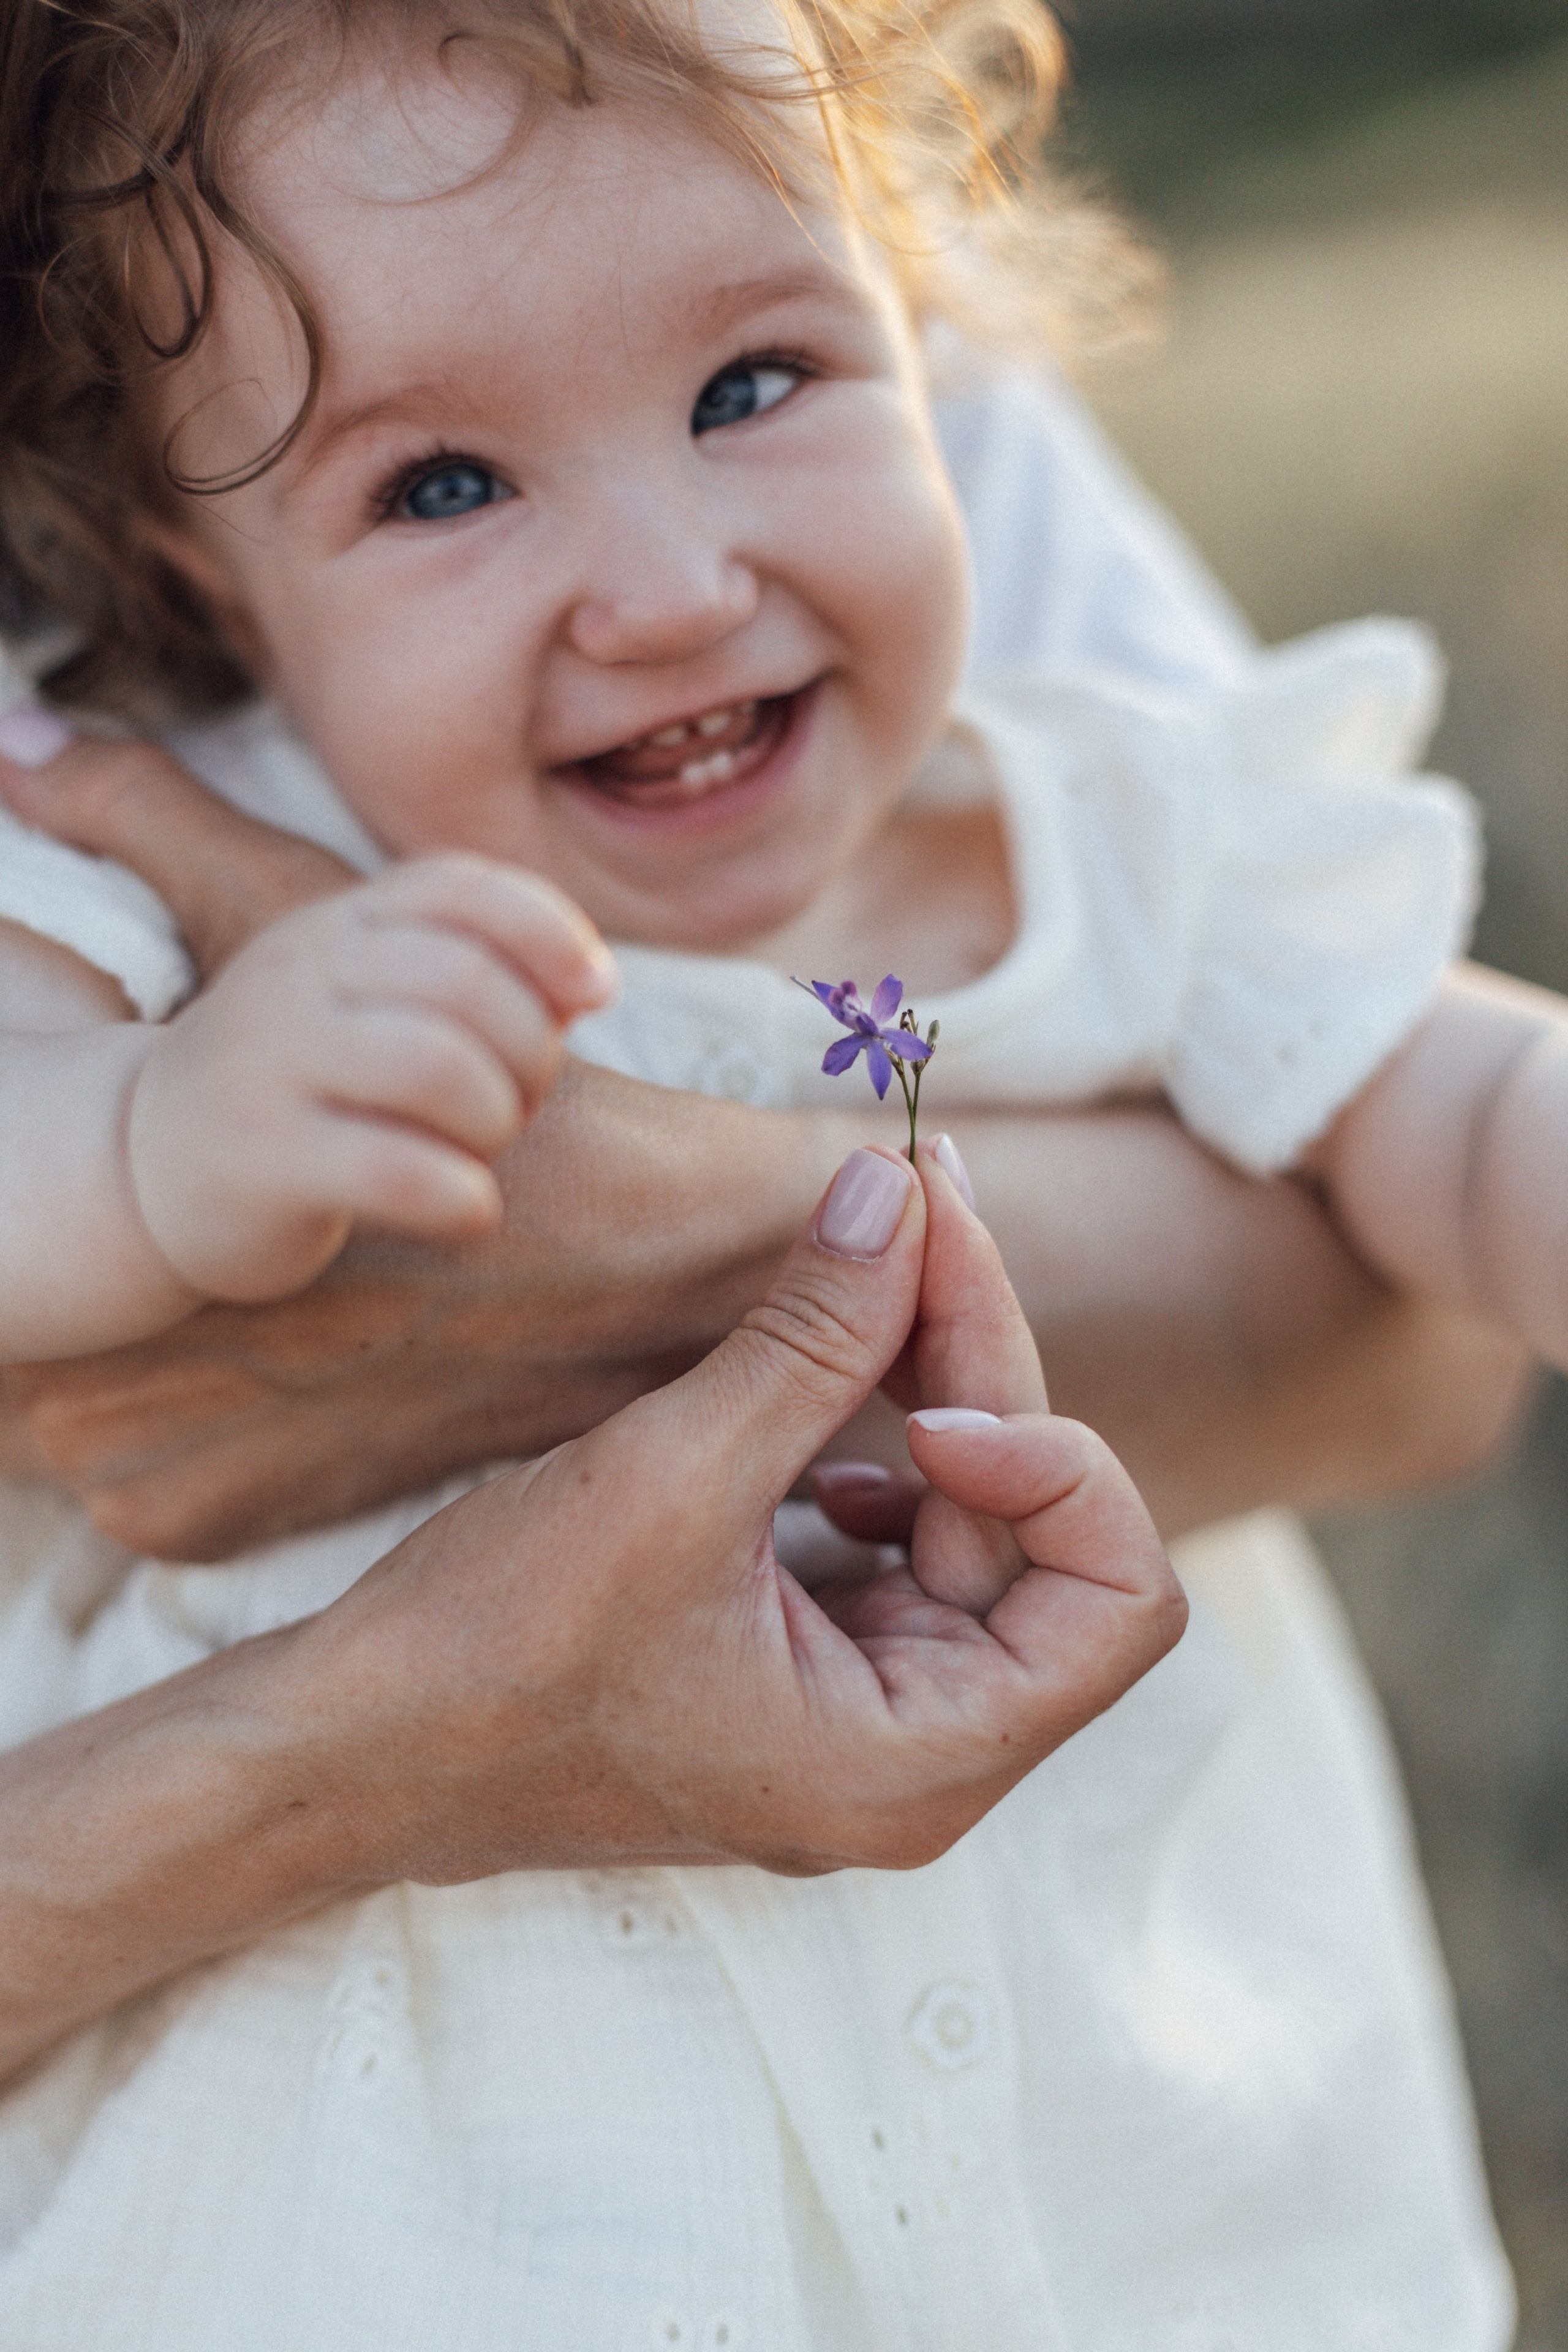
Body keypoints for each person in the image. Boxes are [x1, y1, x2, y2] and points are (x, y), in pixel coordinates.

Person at [0, 0, 1536, 2342]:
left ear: (939, 346)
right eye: (440, 488)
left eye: (752, 391)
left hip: (1126, 2170)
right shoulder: (203, 885)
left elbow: (1441, 1118)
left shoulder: (1099, 840)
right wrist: (153, 1144)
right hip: (422, 2222)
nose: (671, 588)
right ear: (206, 596)